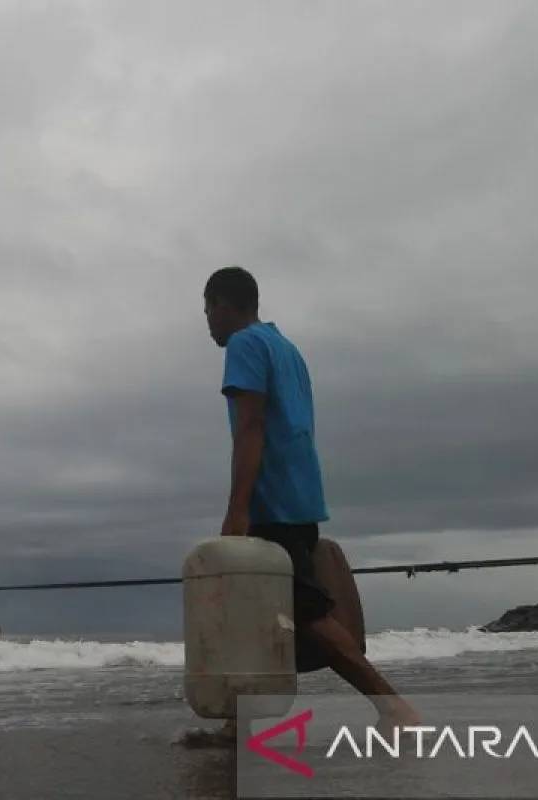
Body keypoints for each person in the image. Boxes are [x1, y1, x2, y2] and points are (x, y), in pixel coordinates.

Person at [203, 266, 419, 730]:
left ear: (224, 303)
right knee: (264, 611)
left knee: (302, 611)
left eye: (207, 310)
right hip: (300, 494)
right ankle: (235, 729)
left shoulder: (245, 344)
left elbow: (252, 426)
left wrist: (237, 509)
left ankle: (393, 706)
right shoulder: (287, 349)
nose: (207, 322)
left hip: (272, 500)